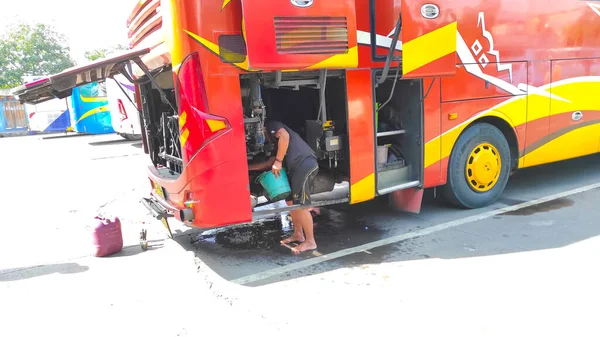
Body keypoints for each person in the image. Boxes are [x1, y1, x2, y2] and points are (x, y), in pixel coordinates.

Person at [248, 119, 319, 254]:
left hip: (304, 164)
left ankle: (311, 241)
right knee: (291, 201)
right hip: (297, 168)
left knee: (301, 204)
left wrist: (279, 161)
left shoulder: (272, 125)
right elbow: (270, 163)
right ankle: (298, 234)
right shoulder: (276, 144)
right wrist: (246, 167)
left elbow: (284, 136)